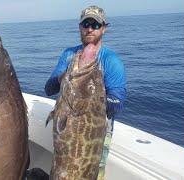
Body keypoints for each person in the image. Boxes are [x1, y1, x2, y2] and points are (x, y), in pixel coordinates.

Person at [44, 5, 127, 180]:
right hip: (67, 128)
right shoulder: (68, 54)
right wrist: (65, 78)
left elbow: (117, 104)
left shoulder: (111, 60)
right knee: (61, 169)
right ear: (80, 27)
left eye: (95, 25)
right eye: (86, 24)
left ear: (103, 28)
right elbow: (49, 89)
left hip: (94, 136)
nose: (90, 29)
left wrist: (90, 95)